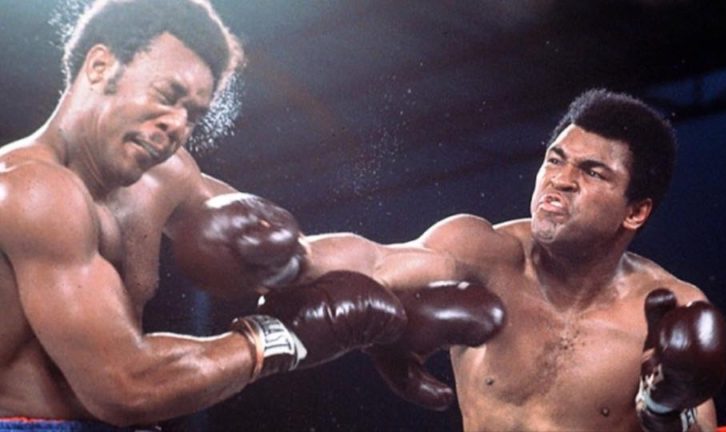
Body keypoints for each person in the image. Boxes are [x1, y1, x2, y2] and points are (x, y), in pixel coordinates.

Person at [0, 0, 429, 429]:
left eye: (193, 115)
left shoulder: (163, 177)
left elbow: (297, 258)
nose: (177, 126)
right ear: (100, 66)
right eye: (167, 96)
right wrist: (279, 338)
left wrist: (415, 300)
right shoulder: (29, 190)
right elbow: (126, 387)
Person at [296, 89, 726, 431]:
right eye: (555, 160)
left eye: (592, 172)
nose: (561, 180)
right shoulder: (482, 254)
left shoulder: (671, 308)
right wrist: (291, 255)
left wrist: (665, 409)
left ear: (635, 211)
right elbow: (375, 260)